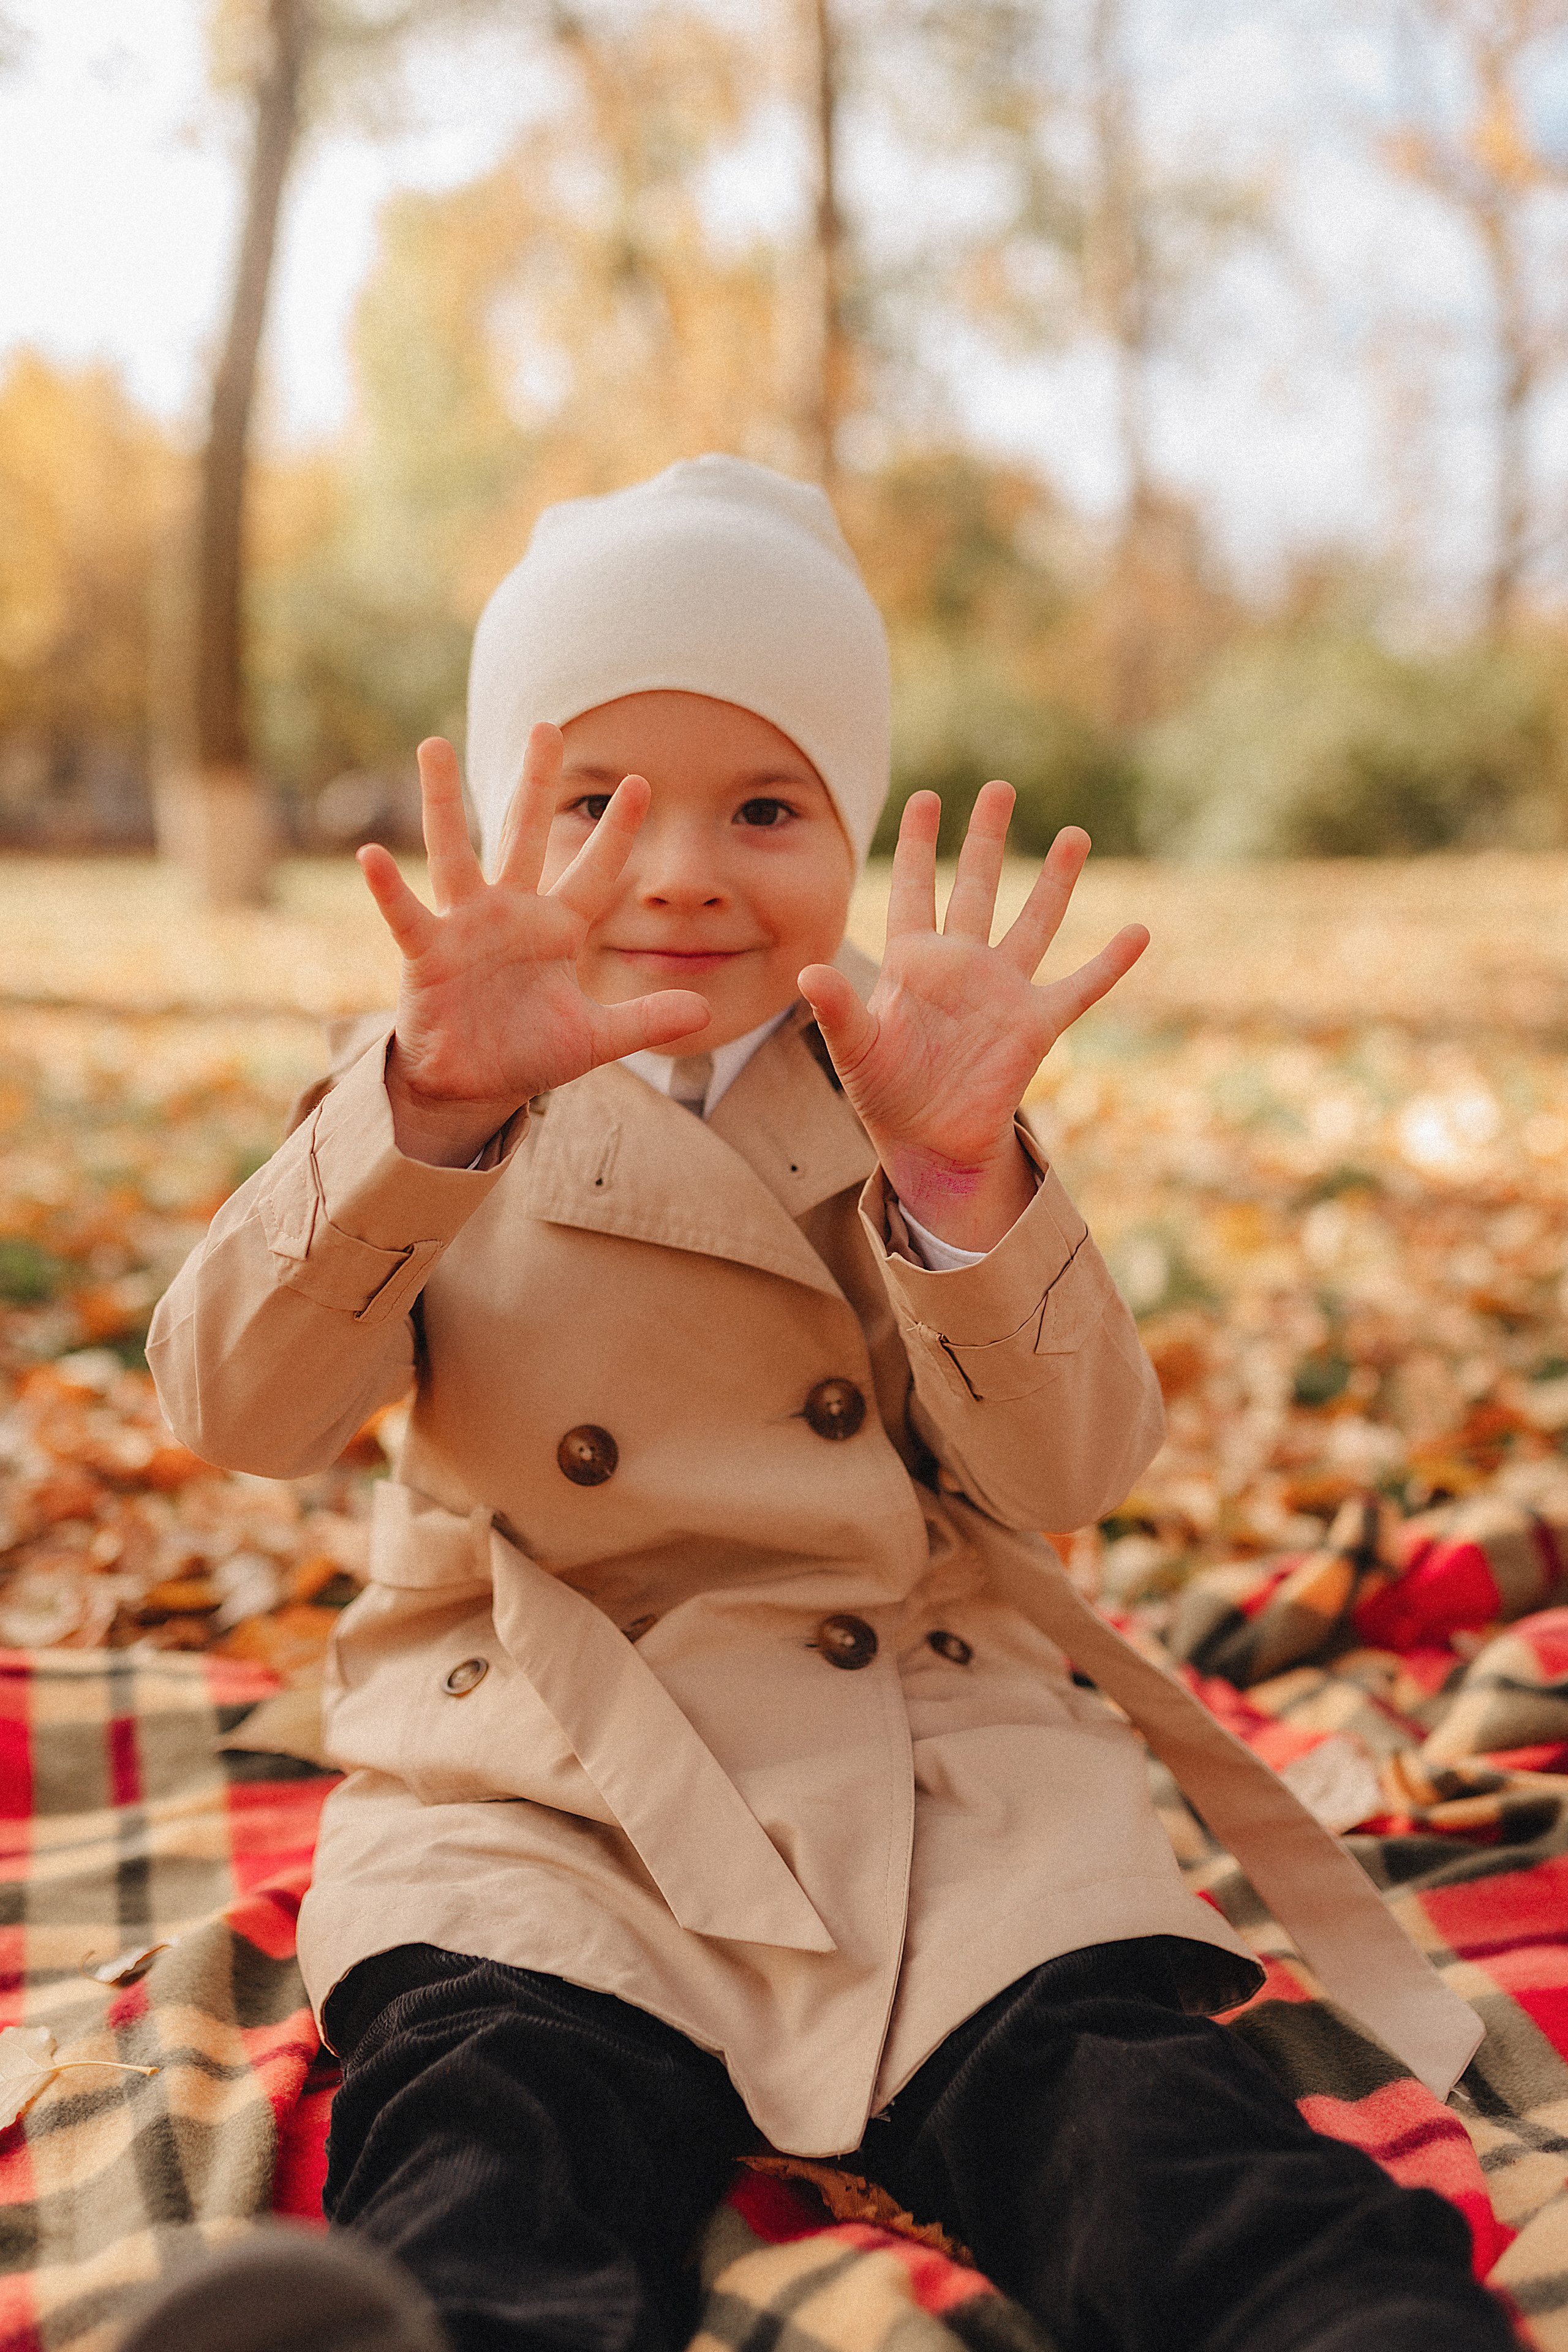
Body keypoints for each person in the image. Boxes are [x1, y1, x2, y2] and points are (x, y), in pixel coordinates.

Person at [146, 457, 1510, 2352]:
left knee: (1124, 2109)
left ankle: (1347, 2326)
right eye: (600, 803)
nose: (685, 864)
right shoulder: (435, 1078)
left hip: (929, 1755)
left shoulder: (908, 1071)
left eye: (766, 803)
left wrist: (963, 1186)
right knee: (486, 2103)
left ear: (851, 832)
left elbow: (1074, 1469)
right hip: (538, 1762)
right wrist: (426, 1121)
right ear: (502, 825)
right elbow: (237, 1407)